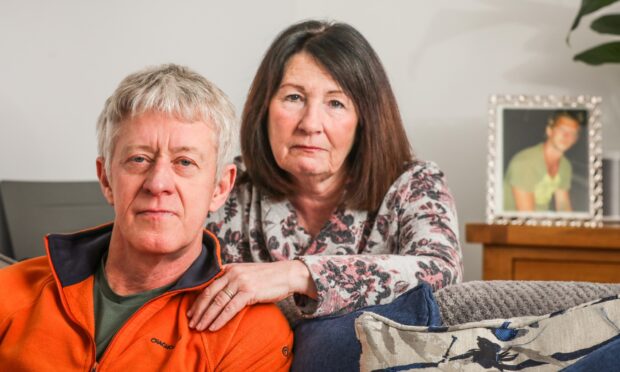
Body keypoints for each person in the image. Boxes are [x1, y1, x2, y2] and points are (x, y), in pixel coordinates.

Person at [0, 64, 292, 370]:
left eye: (185, 162)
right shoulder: (10, 292)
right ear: (106, 179)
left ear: (220, 188)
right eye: (139, 159)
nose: (158, 184)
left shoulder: (250, 334)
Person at [187, 20, 463, 332]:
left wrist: (297, 275)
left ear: (364, 119)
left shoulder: (415, 184)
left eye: (335, 103)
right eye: (294, 97)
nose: (311, 123)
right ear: (263, 109)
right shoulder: (225, 186)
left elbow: (442, 271)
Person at [503, 110, 583, 212]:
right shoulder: (525, 163)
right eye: (562, 130)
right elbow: (527, 218)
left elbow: (563, 205)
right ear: (549, 131)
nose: (567, 136)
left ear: (575, 139)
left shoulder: (565, 165)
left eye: (572, 133)